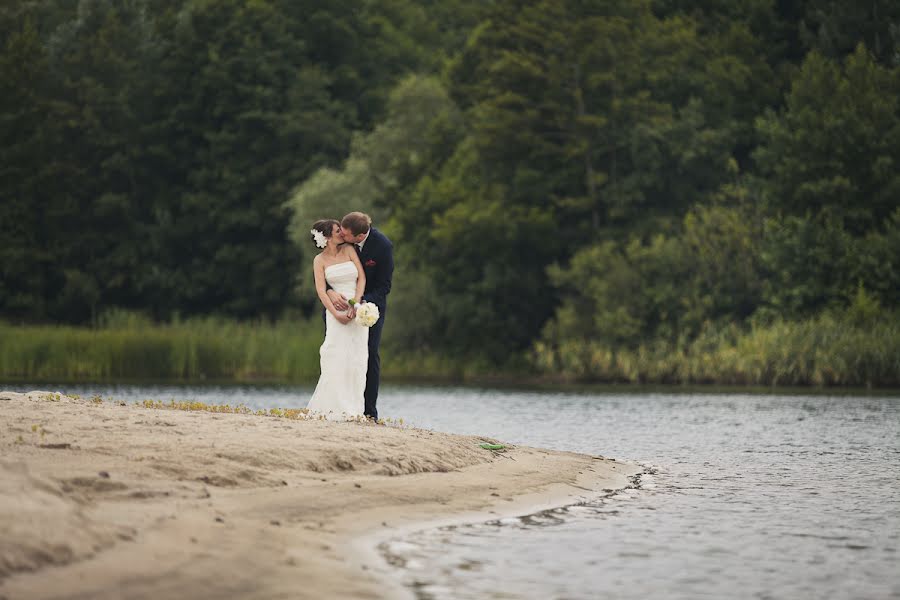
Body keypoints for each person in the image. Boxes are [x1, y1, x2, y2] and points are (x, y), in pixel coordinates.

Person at [327, 212, 393, 421]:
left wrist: (361, 302)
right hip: (337, 306)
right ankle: (338, 406)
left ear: (360, 235)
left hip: (370, 308)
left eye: (346, 235)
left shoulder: (382, 246)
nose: (341, 236)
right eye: (342, 232)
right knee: (336, 352)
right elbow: (326, 270)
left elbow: (384, 286)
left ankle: (369, 411)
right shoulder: (339, 240)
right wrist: (330, 292)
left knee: (370, 353)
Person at [306, 219, 368, 419]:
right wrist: (336, 313)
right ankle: (333, 408)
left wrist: (356, 304)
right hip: (336, 314)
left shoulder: (349, 250)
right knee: (335, 354)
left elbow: (362, 278)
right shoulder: (319, 260)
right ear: (327, 236)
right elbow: (321, 291)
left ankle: (354, 409)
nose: (342, 232)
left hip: (355, 312)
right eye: (337, 230)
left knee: (356, 358)